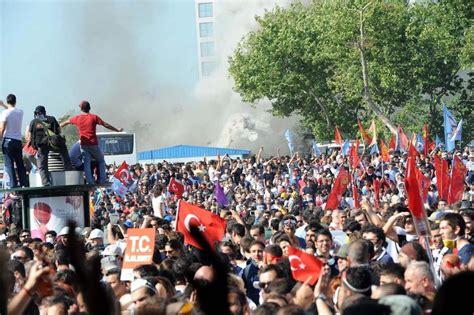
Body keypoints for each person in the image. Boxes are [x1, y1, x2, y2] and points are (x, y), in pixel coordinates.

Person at [60, 100, 122, 184]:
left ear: (81, 109)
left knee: (86, 163)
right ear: (89, 108)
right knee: (100, 160)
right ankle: (103, 180)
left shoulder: (77, 118)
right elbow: (105, 124)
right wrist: (117, 130)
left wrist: (57, 127)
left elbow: (66, 122)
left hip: (83, 145)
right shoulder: (94, 117)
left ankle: (90, 181)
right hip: (93, 144)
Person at [28, 105, 73, 186]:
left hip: (41, 145)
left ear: (36, 113)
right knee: (64, 154)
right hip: (53, 144)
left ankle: (46, 183)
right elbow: (58, 131)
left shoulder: (33, 122)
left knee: (42, 166)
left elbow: (30, 136)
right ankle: (69, 175)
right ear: (45, 112)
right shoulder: (51, 118)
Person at [0, 94, 28, 188]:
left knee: (9, 164)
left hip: (7, 140)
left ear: (7, 102)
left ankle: (13, 186)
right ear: (15, 102)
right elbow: (11, 110)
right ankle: (24, 184)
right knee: (20, 163)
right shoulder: (20, 112)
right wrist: (4, 105)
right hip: (18, 141)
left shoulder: (4, 113)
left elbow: (2, 128)